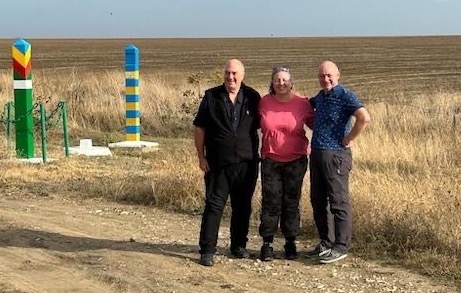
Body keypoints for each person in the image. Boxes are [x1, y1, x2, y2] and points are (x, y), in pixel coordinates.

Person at [193, 59, 261, 267]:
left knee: (242, 206)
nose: (230, 77)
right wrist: (201, 156)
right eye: (227, 73)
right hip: (217, 163)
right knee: (214, 206)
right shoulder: (212, 96)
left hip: (246, 162)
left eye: (234, 73)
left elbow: (264, 126)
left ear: (242, 74)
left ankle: (238, 245)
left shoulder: (252, 96)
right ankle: (207, 250)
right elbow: (199, 128)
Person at [306, 60, 371, 264]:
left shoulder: (345, 96)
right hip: (317, 154)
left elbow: (364, 118)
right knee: (318, 201)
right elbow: (306, 107)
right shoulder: (321, 97)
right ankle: (326, 242)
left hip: (336, 156)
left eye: (329, 75)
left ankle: (341, 246)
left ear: (338, 75)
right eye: (322, 76)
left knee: (338, 201)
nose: (325, 79)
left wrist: (349, 138)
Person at [258, 66, 314, 261]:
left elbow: (317, 124)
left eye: (284, 80)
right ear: (272, 83)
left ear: (291, 83)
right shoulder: (263, 102)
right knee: (270, 201)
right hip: (270, 159)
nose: (281, 83)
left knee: (291, 201)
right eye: (277, 80)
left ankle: (290, 242)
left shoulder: (302, 103)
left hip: (296, 160)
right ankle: (268, 243)